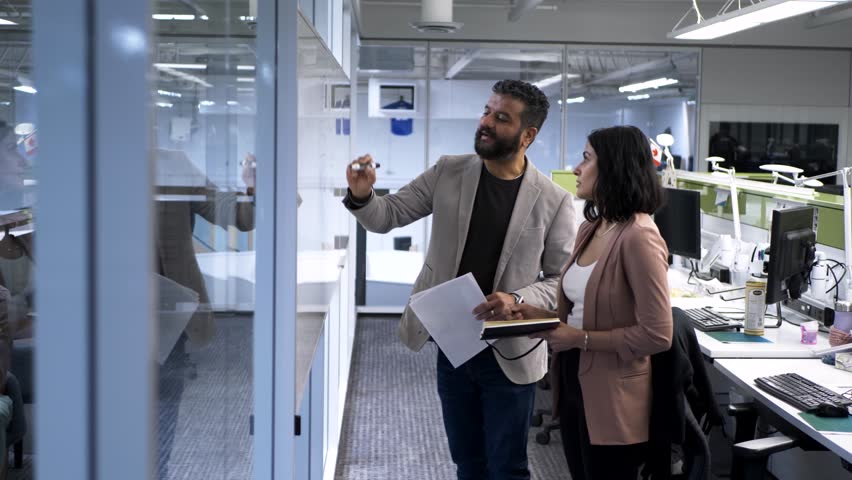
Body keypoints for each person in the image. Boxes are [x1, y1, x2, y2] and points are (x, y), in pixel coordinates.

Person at [343, 79, 577, 480]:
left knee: (508, 467)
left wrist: (516, 299)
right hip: (454, 344)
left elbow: (560, 281)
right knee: (467, 462)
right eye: (487, 111)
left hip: (512, 352)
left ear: (528, 135)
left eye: (501, 118)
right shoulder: (449, 171)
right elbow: (390, 215)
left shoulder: (554, 199)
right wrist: (364, 196)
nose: (486, 122)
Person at [511, 125, 673, 480]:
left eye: (586, 158)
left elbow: (658, 335)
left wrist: (580, 339)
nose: (576, 169)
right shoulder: (592, 228)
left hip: (614, 393)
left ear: (614, 167)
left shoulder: (639, 237)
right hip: (573, 377)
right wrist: (536, 315)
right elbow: (584, 307)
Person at [156, 151, 255, 479]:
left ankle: (159, 471)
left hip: (167, 311)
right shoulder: (93, 156)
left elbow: (233, 213)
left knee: (162, 412)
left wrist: (254, 186)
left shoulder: (171, 164)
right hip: (110, 313)